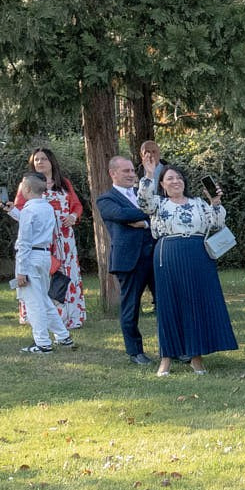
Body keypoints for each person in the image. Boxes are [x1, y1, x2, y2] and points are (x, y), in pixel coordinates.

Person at [134, 146, 238, 376]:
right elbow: (143, 203)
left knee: (195, 303)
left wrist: (216, 202)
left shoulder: (199, 203)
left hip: (197, 254)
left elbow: (218, 224)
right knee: (169, 306)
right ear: (162, 184)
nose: (175, 181)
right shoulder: (158, 204)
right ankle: (166, 359)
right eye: (169, 178)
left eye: (178, 177)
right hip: (169, 253)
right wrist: (149, 174)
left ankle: (196, 357)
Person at [12, 146, 87, 333]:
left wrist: (73, 216)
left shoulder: (64, 183)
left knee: (65, 273)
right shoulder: (27, 185)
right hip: (40, 238)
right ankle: (39, 317)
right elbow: (20, 211)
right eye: (36, 159)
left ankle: (68, 316)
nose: (40, 162)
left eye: (43, 159)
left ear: (51, 161)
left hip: (64, 237)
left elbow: (77, 206)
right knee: (42, 276)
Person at [96, 154, 156, 365]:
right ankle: (135, 352)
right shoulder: (105, 199)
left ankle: (174, 348)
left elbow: (156, 209)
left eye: (132, 170)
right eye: (126, 171)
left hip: (155, 256)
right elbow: (121, 215)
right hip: (129, 260)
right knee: (130, 307)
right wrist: (145, 215)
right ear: (113, 173)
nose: (131, 175)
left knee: (166, 304)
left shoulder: (143, 193)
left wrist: (144, 221)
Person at [5, 171, 71, 355]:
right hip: (43, 256)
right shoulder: (46, 207)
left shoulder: (29, 210)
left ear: (26, 189)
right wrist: (12, 211)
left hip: (31, 258)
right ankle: (62, 335)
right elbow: (33, 224)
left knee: (34, 303)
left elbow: (25, 241)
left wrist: (21, 270)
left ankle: (42, 343)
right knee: (43, 298)